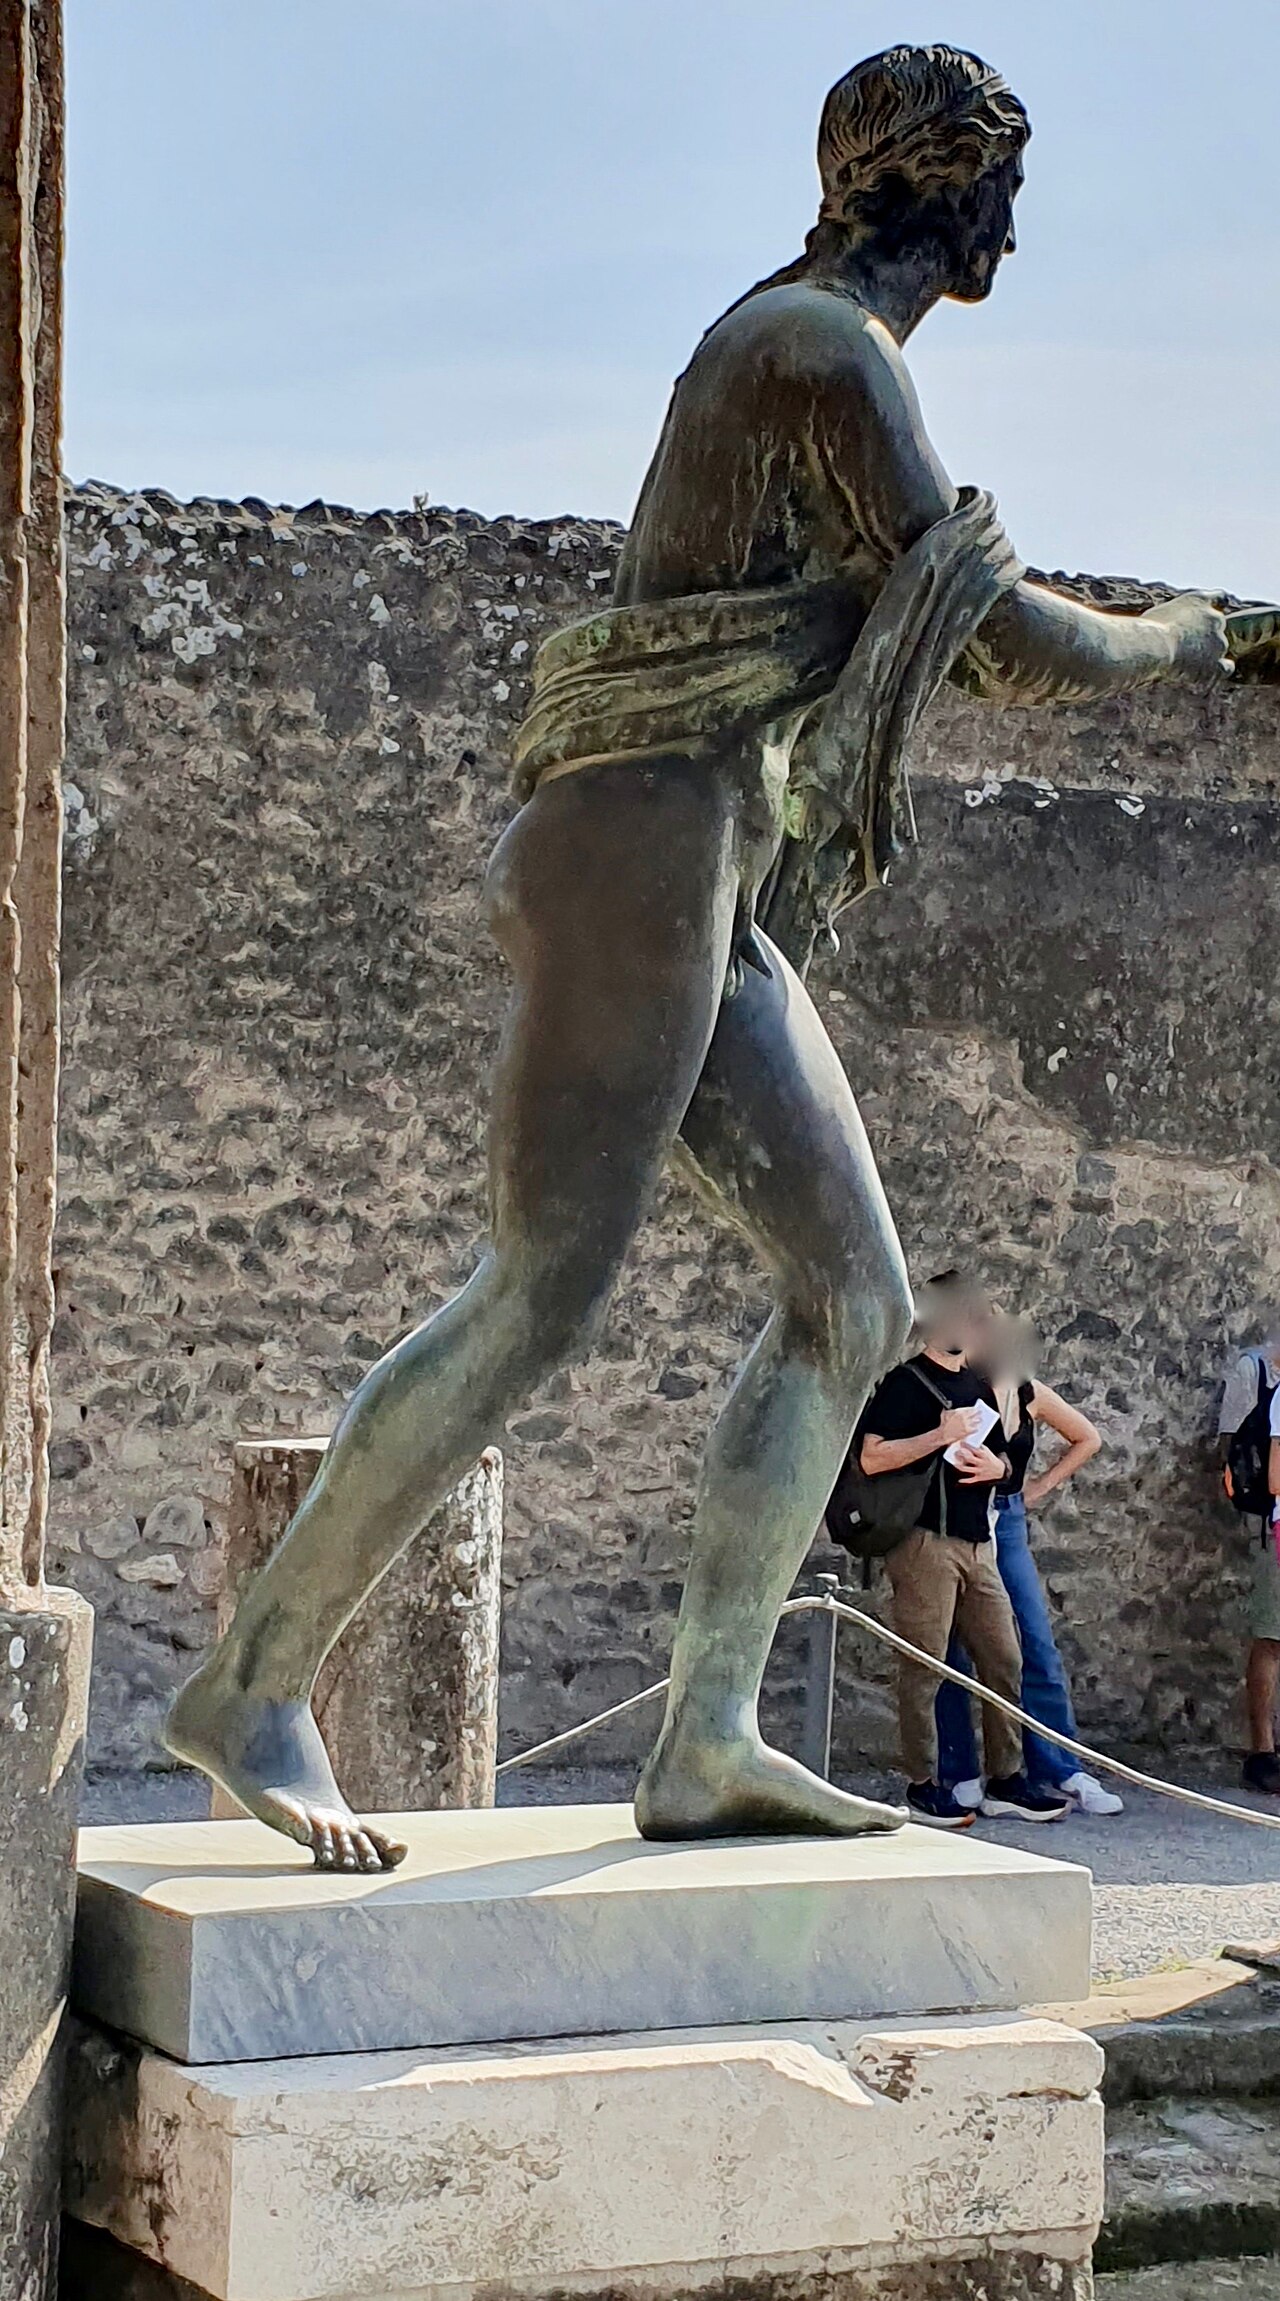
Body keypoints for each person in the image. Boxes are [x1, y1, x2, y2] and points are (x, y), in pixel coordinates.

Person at [165, 45, 1229, 1871]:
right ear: (934, 180)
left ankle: (705, 1735)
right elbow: (990, 629)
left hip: (705, 873)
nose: (1018, 224)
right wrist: (1189, 642)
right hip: (634, 850)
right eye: (1001, 183)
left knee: (856, 1301)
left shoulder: (806, 351)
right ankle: (253, 1687)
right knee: (539, 1294)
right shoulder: (820, 351)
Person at [855, 1274, 1071, 1828]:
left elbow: (1005, 1466)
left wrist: (1001, 1469)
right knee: (923, 1667)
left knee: (1005, 1660)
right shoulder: (904, 1384)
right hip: (924, 1542)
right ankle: (924, 1785)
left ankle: (1007, 1780)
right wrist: (938, 1435)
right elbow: (872, 1459)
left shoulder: (975, 1385)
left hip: (979, 1545)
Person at [934, 1315, 1121, 1815]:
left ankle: (1059, 1767)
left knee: (1035, 1643)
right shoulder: (947, 1391)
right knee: (951, 1649)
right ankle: (959, 1772)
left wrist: (1034, 1488)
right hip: (952, 1526)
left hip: (1007, 1521)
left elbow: (1087, 1437)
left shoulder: (1025, 1389)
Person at [1219, 1321, 1280, 1796]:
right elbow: (1273, 1478)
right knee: (1271, 1637)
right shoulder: (1260, 1377)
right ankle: (1262, 1754)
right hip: (1275, 1528)